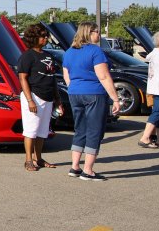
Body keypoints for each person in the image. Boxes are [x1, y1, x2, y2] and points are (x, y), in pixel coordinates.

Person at [62, 22, 121, 180]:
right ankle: (88, 170)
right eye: (97, 32)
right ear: (89, 33)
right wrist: (115, 98)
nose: (99, 35)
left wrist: (75, 88)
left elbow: (66, 75)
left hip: (75, 92)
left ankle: (75, 167)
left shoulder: (69, 52)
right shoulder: (95, 51)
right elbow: (103, 76)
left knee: (80, 129)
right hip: (94, 93)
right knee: (95, 130)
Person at [17, 23, 57, 171]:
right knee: (31, 130)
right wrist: (30, 100)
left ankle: (38, 158)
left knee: (42, 131)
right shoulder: (27, 56)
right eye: (42, 36)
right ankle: (28, 160)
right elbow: (23, 79)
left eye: (46, 36)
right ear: (34, 38)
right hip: (33, 96)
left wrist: (57, 100)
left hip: (48, 97)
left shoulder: (48, 55)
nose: (45, 38)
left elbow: (52, 78)